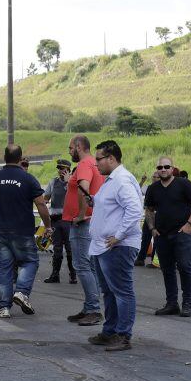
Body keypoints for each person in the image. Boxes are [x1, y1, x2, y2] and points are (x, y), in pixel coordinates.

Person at [0, 145, 53, 318]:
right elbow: (41, 204)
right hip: (22, 232)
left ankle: (3, 308)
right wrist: (47, 226)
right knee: (30, 261)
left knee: (3, 269)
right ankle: (22, 292)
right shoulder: (29, 179)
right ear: (20, 158)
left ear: (4, 157)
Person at [87, 141, 143, 351]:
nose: (96, 164)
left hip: (118, 246)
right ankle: (110, 331)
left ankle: (123, 335)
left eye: (99, 159)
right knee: (110, 292)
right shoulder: (110, 181)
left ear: (111, 158)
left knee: (121, 292)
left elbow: (135, 210)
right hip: (105, 246)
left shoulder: (121, 180)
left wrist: (118, 236)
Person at [64, 135, 106, 326]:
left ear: (79, 147)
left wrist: (81, 214)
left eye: (71, 148)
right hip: (92, 221)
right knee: (89, 266)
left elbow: (83, 188)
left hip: (83, 223)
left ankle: (94, 309)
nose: (69, 151)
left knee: (81, 265)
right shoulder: (93, 163)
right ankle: (90, 306)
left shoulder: (83, 164)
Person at [144, 156, 191, 317]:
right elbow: (149, 209)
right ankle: (172, 304)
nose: (163, 169)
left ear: (172, 168)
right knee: (167, 270)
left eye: (166, 166)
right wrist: (152, 228)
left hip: (182, 234)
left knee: (185, 267)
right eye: (160, 167)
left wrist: (189, 225)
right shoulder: (153, 188)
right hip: (161, 235)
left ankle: (188, 303)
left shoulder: (183, 184)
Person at [43, 159, 77, 284]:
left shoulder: (73, 182)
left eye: (62, 168)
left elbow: (78, 197)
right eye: (59, 168)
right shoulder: (53, 182)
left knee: (69, 248)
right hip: (56, 219)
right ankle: (55, 274)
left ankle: (73, 275)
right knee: (57, 248)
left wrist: (70, 182)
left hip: (68, 220)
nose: (60, 171)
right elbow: (45, 198)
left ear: (68, 169)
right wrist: (43, 204)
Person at [137, 171, 160, 267]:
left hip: (158, 217)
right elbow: (137, 189)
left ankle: (154, 262)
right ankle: (140, 259)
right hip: (148, 216)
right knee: (145, 238)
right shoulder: (148, 187)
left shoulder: (163, 189)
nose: (154, 178)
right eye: (153, 177)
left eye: (156, 177)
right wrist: (142, 180)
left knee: (156, 239)